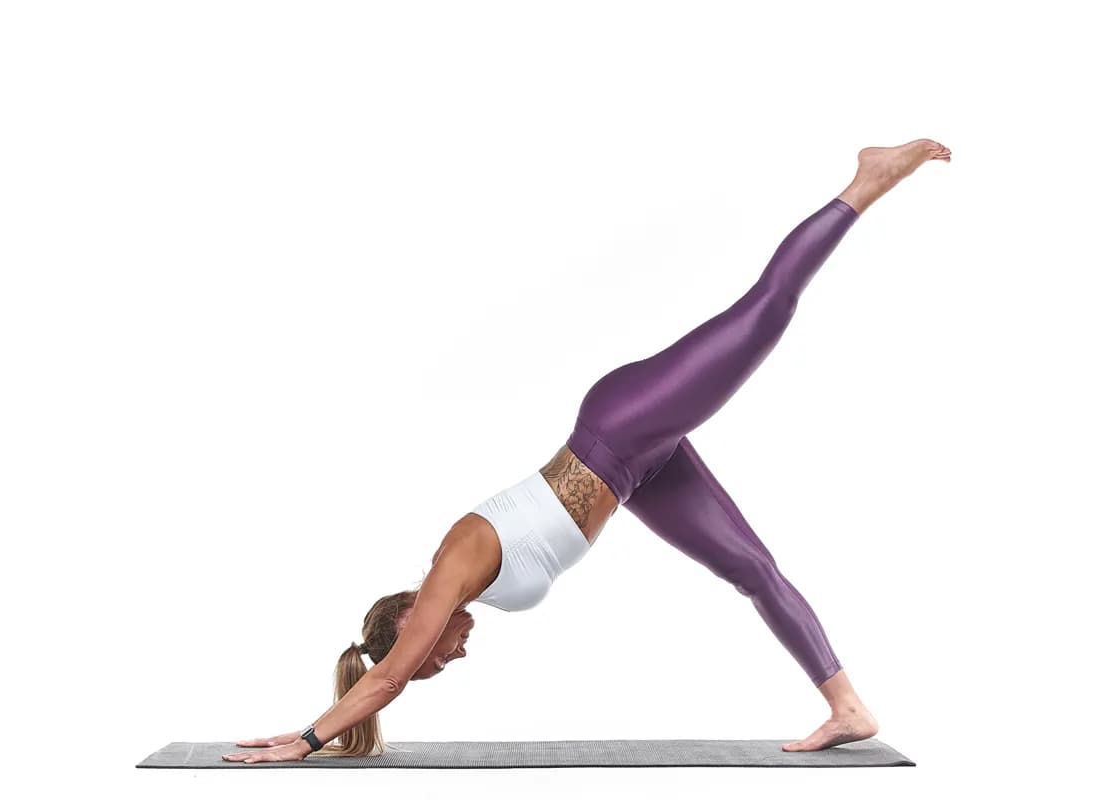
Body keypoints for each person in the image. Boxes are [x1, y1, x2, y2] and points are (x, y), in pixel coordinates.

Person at [223, 138, 951, 763]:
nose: (458, 653)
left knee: (765, 312)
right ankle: (849, 708)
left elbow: (386, 680)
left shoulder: (451, 567)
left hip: (620, 425)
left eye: (439, 654)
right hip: (639, 471)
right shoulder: (468, 590)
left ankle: (867, 180)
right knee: (751, 569)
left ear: (413, 621)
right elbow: (388, 676)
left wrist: (307, 739)